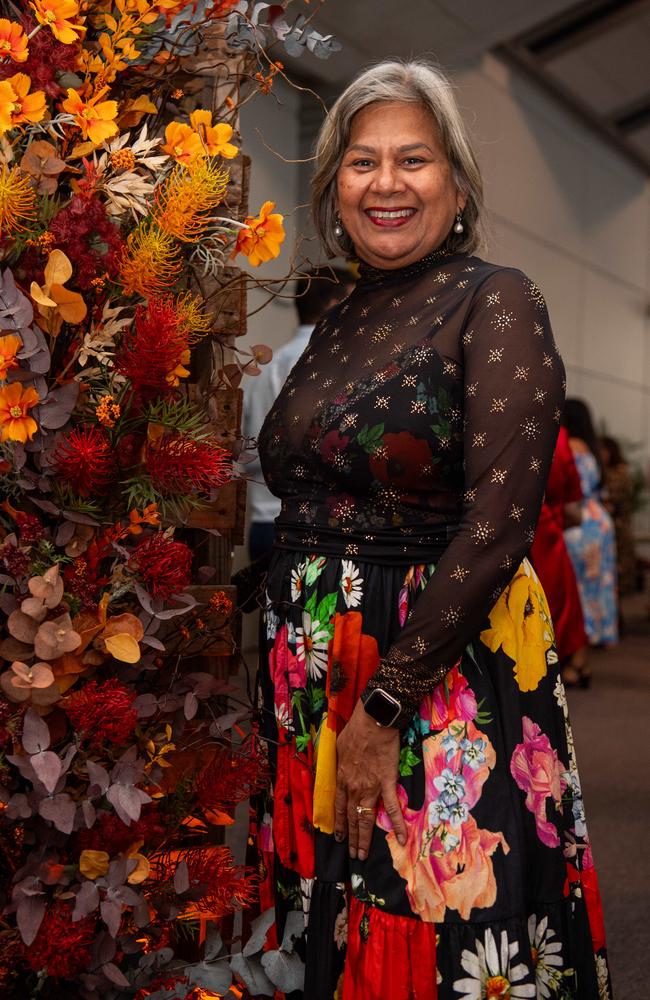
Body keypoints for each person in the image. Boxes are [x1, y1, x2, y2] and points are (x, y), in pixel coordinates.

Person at [252, 60, 611, 999]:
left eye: (413, 158)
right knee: (325, 919)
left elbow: (497, 528)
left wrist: (381, 710)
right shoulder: (339, 320)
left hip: (431, 678)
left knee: (439, 922)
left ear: (457, 180)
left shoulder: (496, 302)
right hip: (315, 680)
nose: (387, 182)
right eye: (362, 162)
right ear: (335, 183)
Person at [243, 267, 353, 562]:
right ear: (334, 306)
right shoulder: (329, 365)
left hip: (265, 521)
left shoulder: (265, 369)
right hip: (312, 529)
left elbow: (245, 447)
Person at [530, 425, 590, 687]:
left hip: (499, 532)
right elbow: (573, 505)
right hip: (547, 532)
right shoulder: (557, 434)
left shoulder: (486, 418)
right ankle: (569, 665)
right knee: (560, 601)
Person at [563, 399, 618, 649]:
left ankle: (580, 639)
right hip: (600, 521)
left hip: (581, 522)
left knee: (578, 585)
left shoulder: (569, 447)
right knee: (600, 581)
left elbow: (576, 490)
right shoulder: (591, 448)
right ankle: (598, 632)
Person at [600, 434, 638, 603]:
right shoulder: (603, 470)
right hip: (609, 526)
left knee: (619, 571)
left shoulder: (620, 471)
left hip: (619, 528)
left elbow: (617, 500)